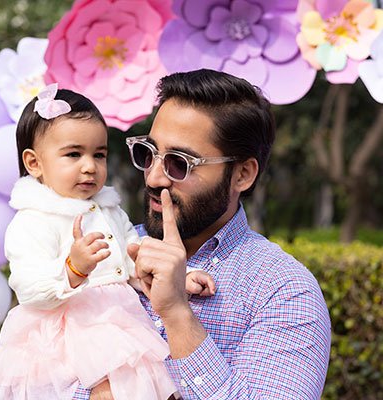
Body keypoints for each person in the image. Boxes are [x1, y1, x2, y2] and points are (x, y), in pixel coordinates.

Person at [74, 69, 332, 399]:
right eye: (147, 153)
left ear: (242, 174)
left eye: (179, 163)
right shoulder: (102, 253)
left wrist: (178, 315)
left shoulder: (283, 292)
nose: (154, 177)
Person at [0, 83, 216, 400]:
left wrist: (181, 278)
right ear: (34, 163)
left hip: (116, 320)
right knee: (108, 391)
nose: (89, 166)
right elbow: (28, 287)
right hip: (65, 329)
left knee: (159, 386)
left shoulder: (109, 210)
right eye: (73, 154)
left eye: (99, 154)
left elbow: (134, 259)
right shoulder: (34, 219)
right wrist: (73, 268)